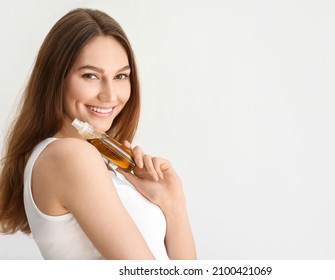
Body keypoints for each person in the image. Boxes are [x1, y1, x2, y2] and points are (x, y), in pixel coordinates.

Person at [0, 8, 196, 260]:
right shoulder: (69, 155)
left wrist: (173, 202)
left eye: (121, 76)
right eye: (90, 75)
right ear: (56, 79)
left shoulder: (96, 160)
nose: (110, 94)